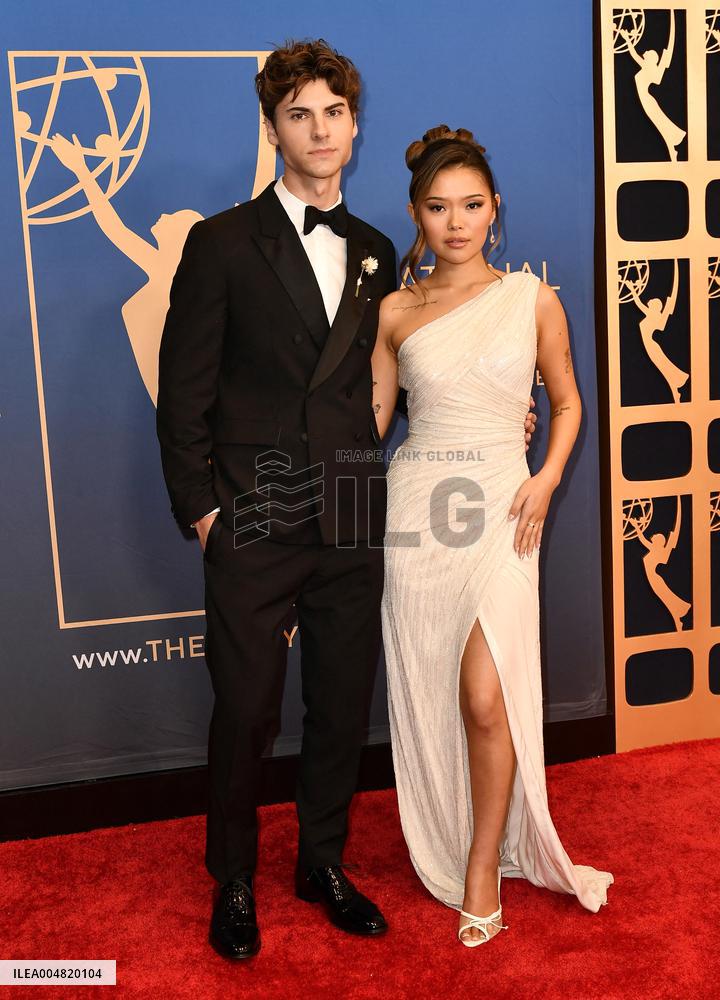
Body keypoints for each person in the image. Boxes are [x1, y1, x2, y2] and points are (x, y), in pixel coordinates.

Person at [371, 126, 613, 947]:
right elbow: (370, 422)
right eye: (439, 208)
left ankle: (483, 864)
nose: (456, 222)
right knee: (437, 689)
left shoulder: (531, 299)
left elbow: (570, 403)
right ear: (416, 214)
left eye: (471, 205)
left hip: (508, 506)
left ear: (494, 209)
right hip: (418, 510)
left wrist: (544, 478)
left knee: (485, 694)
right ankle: (458, 836)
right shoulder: (395, 312)